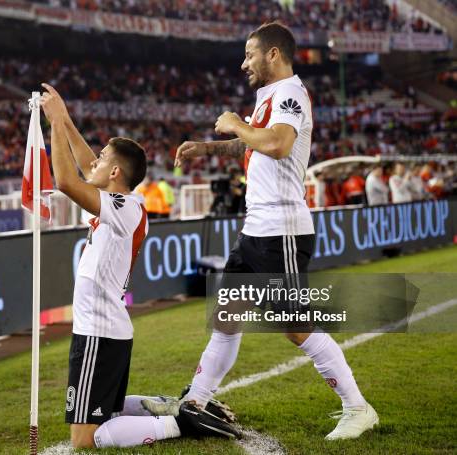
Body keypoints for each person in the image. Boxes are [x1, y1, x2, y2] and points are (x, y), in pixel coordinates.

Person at [145, 22, 378, 441]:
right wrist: (208, 147)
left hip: (282, 230)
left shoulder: (289, 91)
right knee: (226, 318)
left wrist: (235, 123)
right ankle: (195, 400)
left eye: (250, 54)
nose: (243, 62)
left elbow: (278, 144)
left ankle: (358, 408)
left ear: (273, 54)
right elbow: (254, 142)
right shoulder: (270, 95)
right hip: (257, 228)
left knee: (294, 325)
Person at [39, 84, 239, 449]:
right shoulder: (120, 202)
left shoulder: (123, 207)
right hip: (104, 329)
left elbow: (68, 180)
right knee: (107, 415)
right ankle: (166, 407)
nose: (93, 163)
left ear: (115, 172)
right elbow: (86, 166)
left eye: (102, 159)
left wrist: (53, 122)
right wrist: (65, 120)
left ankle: (180, 423)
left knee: (86, 438)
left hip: (99, 332)